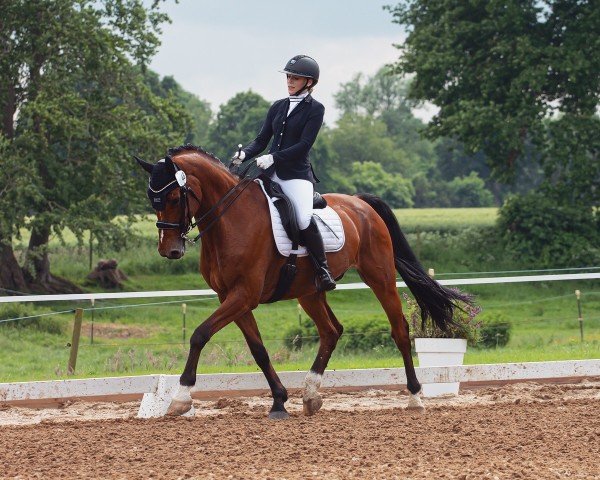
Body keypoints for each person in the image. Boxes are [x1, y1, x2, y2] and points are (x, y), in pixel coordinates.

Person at [232, 54, 336, 292]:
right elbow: (260, 140)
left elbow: (304, 145)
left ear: (309, 82)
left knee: (301, 218)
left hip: (296, 175)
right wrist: (243, 155)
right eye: (289, 76)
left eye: (295, 78)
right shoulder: (278, 106)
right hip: (269, 173)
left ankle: (323, 270)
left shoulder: (315, 109)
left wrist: (273, 157)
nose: (289, 81)